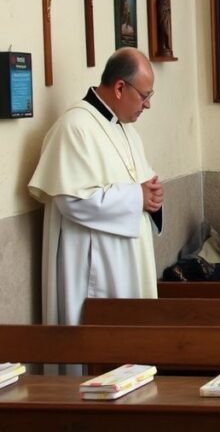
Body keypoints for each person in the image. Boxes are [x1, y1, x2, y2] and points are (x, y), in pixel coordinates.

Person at [28, 48, 163, 328]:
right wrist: (137, 197)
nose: (148, 105)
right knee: (98, 350)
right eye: (145, 95)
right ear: (119, 88)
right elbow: (71, 201)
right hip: (95, 272)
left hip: (127, 266)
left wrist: (153, 196)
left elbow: (143, 185)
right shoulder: (74, 127)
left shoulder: (126, 129)